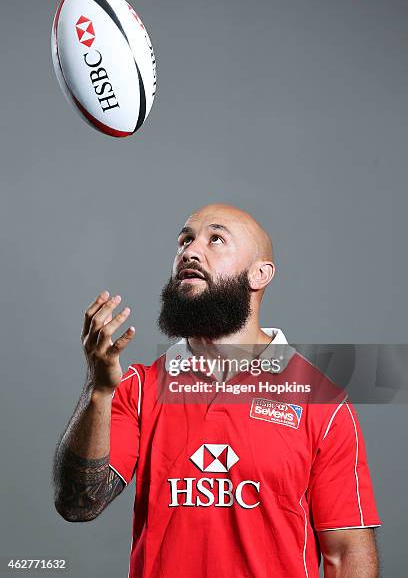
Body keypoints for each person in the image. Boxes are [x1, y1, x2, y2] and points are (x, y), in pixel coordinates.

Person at [53, 203, 381, 577]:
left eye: (216, 239)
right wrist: (98, 391)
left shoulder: (321, 401)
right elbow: (79, 504)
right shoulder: (140, 388)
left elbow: (346, 554)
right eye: (185, 241)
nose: (190, 251)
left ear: (260, 274)